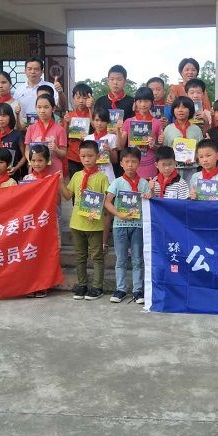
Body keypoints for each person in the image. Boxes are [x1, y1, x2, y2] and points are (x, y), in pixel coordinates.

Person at [59, 140, 110, 301]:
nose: (86, 159)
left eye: (90, 156)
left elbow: (107, 200)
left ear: (98, 156)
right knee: (80, 256)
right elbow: (68, 196)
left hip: (95, 225)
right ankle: (82, 285)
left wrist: (97, 210)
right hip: (77, 223)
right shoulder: (76, 176)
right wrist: (60, 183)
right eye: (83, 156)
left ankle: (97, 287)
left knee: (97, 257)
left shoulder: (102, 177)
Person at [104, 146, 152, 304]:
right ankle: (121, 289)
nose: (130, 165)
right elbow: (107, 202)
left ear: (139, 163)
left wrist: (149, 194)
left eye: (134, 161)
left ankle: (138, 290)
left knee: (138, 259)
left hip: (138, 226)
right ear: (121, 164)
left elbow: (149, 201)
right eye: (126, 161)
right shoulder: (117, 182)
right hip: (120, 225)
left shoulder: (144, 183)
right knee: (121, 259)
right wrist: (118, 214)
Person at [117, 86, 162, 178]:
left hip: (150, 167)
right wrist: (118, 130)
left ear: (152, 102)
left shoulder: (157, 123)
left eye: (146, 101)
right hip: (131, 167)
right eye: (140, 101)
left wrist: (153, 145)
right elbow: (120, 146)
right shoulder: (128, 121)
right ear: (135, 102)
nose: (143, 104)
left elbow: (160, 149)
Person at [160, 96, 204, 185]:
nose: (180, 110)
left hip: (191, 168)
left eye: (184, 107)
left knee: (190, 189)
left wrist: (195, 157)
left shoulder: (196, 129)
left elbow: (200, 150)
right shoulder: (168, 129)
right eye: (177, 107)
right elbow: (165, 149)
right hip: (173, 168)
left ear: (190, 110)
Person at [25, 93, 67, 176]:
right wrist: (32, 161)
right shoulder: (31, 128)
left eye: (46, 107)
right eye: (39, 107)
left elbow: (64, 153)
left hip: (54, 170)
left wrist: (56, 149)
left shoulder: (60, 129)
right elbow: (27, 149)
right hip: (36, 170)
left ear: (53, 109)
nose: (42, 111)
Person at [63, 83, 94, 178]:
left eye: (84, 98)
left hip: (89, 156)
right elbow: (64, 136)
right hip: (73, 156)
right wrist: (67, 123)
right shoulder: (69, 115)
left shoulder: (93, 115)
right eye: (78, 97)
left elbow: (97, 129)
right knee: (75, 182)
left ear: (90, 98)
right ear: (73, 98)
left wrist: (91, 109)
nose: (81, 101)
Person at [84, 109, 119, 182]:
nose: (99, 123)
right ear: (92, 121)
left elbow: (115, 160)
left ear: (108, 122)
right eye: (97, 120)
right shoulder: (87, 138)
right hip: (91, 173)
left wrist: (109, 151)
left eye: (102, 121)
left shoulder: (112, 137)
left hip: (107, 173)